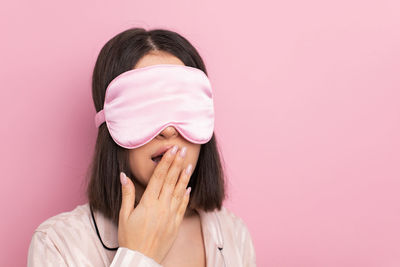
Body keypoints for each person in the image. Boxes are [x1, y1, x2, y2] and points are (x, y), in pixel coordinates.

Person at [27, 27, 256, 267]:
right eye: (147, 109)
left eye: (183, 108)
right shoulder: (57, 244)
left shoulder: (235, 237)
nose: (169, 130)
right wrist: (138, 256)